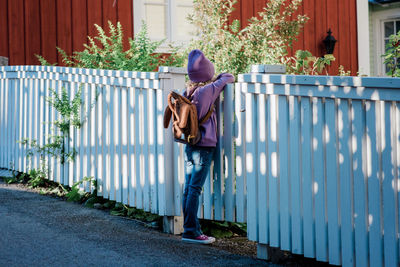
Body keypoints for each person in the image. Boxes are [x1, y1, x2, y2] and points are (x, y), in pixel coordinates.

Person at [181, 49, 234, 244]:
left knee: (188, 188)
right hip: (204, 146)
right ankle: (192, 231)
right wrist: (216, 77)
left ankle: (189, 228)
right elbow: (229, 77)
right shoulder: (207, 90)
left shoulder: (188, 91)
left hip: (190, 144)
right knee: (195, 188)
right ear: (206, 73)